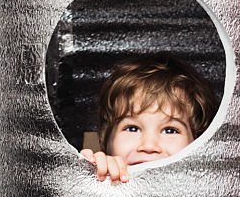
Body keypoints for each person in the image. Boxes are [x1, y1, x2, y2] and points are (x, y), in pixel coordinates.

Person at [81, 54, 218, 183]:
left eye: (170, 130)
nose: (149, 146)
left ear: (198, 144)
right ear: (105, 141)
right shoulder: (104, 181)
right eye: (132, 128)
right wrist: (91, 176)